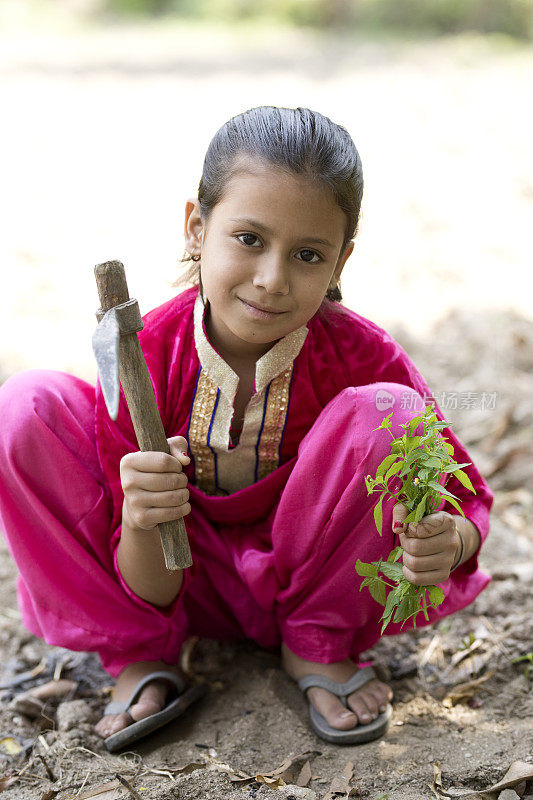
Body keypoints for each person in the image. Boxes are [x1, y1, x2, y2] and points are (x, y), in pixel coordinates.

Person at [0, 106, 493, 751]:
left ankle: (317, 646)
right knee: (25, 406)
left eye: (308, 254)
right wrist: (150, 516)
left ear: (341, 262)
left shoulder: (363, 358)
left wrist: (444, 543)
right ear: (197, 228)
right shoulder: (143, 357)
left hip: (312, 587)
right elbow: (151, 580)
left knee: (390, 413)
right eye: (249, 239)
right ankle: (142, 656)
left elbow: (461, 504)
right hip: (178, 591)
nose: (272, 279)